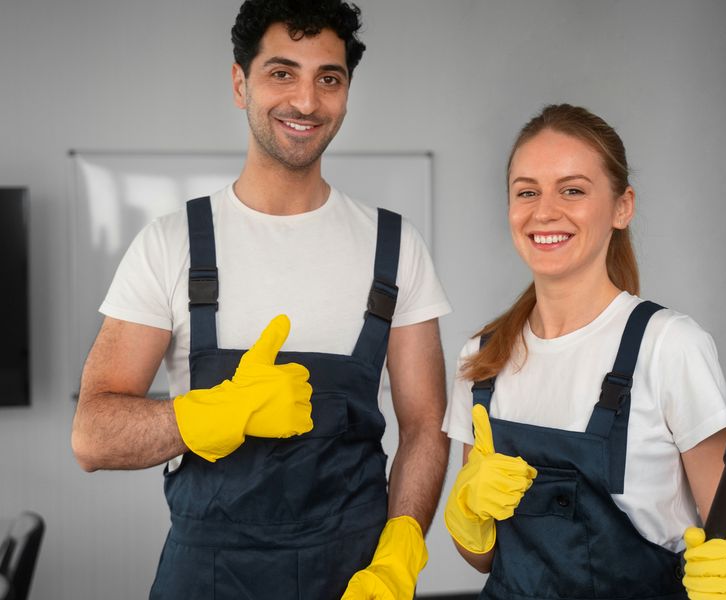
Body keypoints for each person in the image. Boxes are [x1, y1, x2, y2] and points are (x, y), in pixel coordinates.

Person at [71, 1, 451, 598]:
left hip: (355, 576)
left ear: (347, 92)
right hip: (207, 576)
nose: (305, 101)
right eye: (282, 73)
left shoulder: (396, 247)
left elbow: (426, 425)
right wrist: (212, 414)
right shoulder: (171, 245)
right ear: (239, 82)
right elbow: (92, 436)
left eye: (329, 78)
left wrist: (403, 548)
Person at [442, 104, 726, 599]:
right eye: (527, 191)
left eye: (572, 189)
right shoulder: (483, 357)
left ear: (622, 206)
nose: (544, 211)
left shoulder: (668, 346)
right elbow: (484, 560)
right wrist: (467, 517)